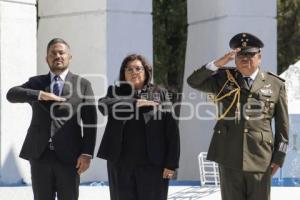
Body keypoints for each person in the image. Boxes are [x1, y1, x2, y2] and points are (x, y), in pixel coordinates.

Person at [187, 32, 289, 200]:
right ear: (234, 57)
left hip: (260, 158)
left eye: (250, 54)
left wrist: (279, 157)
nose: (245, 58)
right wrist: (219, 63)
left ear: (259, 57)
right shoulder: (223, 79)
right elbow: (193, 81)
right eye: (240, 54)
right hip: (229, 156)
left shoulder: (275, 84)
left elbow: (283, 127)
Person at [6, 38, 97, 200]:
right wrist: (40, 95)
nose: (58, 56)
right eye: (53, 53)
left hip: (70, 157)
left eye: (61, 52)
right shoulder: (36, 83)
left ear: (70, 57)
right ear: (46, 59)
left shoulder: (83, 84)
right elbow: (12, 94)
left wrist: (87, 153)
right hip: (40, 154)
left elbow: (90, 122)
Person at [97, 54, 180, 200]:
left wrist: (171, 164)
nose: (134, 72)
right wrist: (134, 103)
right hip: (120, 164)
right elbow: (103, 106)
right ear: (123, 73)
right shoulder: (115, 91)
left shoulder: (159, 92)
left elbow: (171, 131)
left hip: (154, 165)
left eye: (138, 68)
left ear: (146, 71)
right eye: (129, 69)